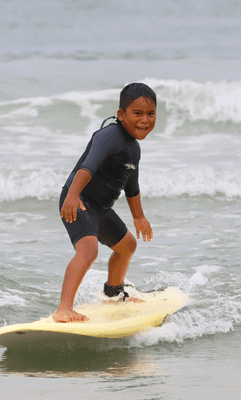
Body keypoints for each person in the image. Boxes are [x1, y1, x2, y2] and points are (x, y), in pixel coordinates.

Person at [53, 82, 156, 323]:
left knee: (127, 246)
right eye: (137, 113)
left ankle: (114, 293)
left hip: (99, 208)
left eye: (150, 114)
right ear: (121, 115)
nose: (145, 120)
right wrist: (72, 196)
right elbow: (87, 167)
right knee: (88, 249)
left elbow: (132, 187)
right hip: (78, 200)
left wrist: (139, 217)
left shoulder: (134, 149)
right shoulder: (109, 135)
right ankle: (64, 308)